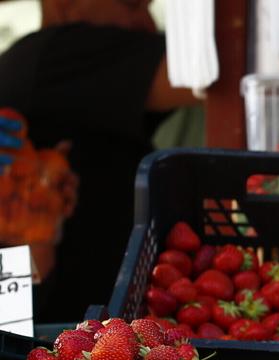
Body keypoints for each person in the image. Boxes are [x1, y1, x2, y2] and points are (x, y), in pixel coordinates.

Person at [0, 0, 198, 324]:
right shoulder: (49, 55)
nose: (146, 22)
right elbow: (208, 71)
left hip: (97, 334)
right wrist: (31, 236)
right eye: (131, 5)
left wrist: (36, 233)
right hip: (84, 337)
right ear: (65, 4)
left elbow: (14, 311)